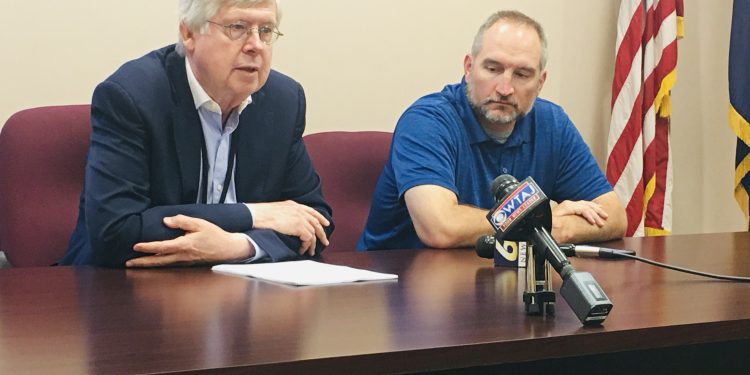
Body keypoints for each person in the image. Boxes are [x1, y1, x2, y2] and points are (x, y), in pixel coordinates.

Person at [60, 0, 333, 267]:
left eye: (265, 31)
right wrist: (253, 215)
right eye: (238, 27)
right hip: (117, 293)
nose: (255, 46)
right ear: (189, 33)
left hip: (237, 297)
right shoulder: (133, 96)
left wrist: (238, 247)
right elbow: (116, 231)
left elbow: (315, 221)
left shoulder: (282, 100)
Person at [358, 10, 626, 251]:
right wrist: (542, 219)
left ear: (541, 82)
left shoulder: (551, 123)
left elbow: (614, 216)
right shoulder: (427, 121)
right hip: (401, 291)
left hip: (497, 284)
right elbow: (440, 228)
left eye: (522, 74)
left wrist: (560, 227)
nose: (504, 88)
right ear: (468, 67)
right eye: (493, 68)